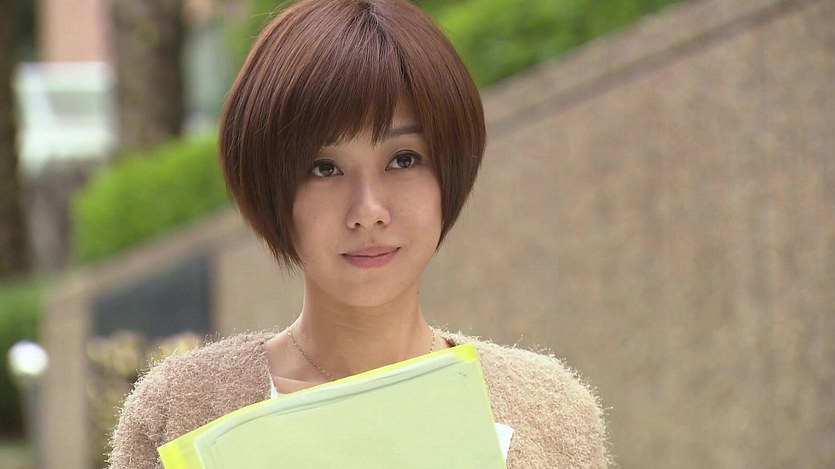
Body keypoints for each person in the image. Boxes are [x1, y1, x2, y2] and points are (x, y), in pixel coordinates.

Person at [108, 0, 608, 467]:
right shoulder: (180, 408)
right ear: (270, 186)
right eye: (324, 168)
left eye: (403, 159)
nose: (368, 211)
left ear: (449, 171)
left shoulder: (549, 409)